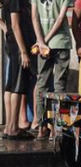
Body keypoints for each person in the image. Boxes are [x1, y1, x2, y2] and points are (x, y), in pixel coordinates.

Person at [31, 0, 72, 140]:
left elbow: (34, 16)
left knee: (41, 85)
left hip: (43, 45)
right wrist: (44, 41)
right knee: (59, 87)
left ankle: (42, 128)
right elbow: (60, 19)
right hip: (61, 42)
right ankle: (56, 129)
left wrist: (41, 41)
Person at [2, 0, 36, 140]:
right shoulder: (16, 1)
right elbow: (15, 25)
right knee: (17, 86)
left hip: (13, 45)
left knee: (10, 86)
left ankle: (9, 127)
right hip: (18, 47)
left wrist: (6, 28)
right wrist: (23, 51)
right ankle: (13, 128)